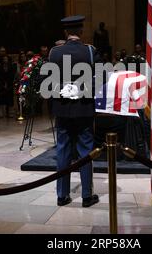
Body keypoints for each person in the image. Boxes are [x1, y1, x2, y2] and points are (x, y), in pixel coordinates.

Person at [48, 15, 99, 207]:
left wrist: (64, 89)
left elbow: (49, 82)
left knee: (63, 150)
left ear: (66, 33)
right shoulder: (90, 52)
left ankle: (62, 195)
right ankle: (87, 195)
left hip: (62, 108)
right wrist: (80, 89)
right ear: (81, 31)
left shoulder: (54, 52)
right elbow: (101, 78)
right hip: (84, 107)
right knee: (85, 150)